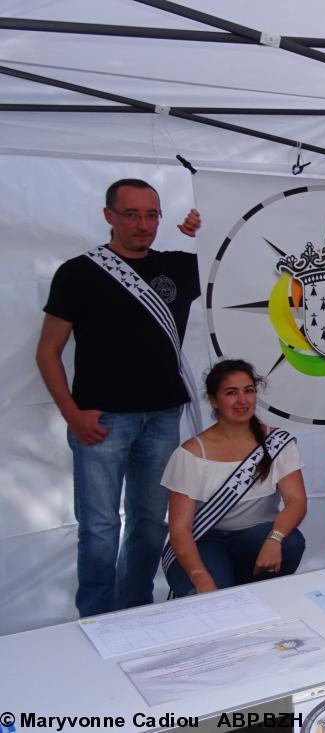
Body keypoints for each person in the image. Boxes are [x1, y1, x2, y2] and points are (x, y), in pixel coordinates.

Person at [35, 178, 202, 617]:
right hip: (101, 419)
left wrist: (206, 228)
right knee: (100, 528)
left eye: (152, 215)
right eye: (132, 214)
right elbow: (48, 350)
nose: (143, 224)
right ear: (109, 215)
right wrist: (71, 414)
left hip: (163, 415)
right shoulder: (79, 272)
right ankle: (94, 616)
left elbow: (240, 260)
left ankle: (135, 609)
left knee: (149, 525)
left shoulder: (180, 267)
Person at [160, 360, 306, 596]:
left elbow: (297, 502)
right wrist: (200, 577)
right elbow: (180, 529)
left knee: (291, 542)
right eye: (231, 393)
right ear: (213, 400)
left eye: (249, 391)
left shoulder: (277, 442)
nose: (242, 400)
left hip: (254, 537)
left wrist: (275, 539)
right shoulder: (191, 453)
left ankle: (260, 596)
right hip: (205, 541)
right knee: (213, 598)